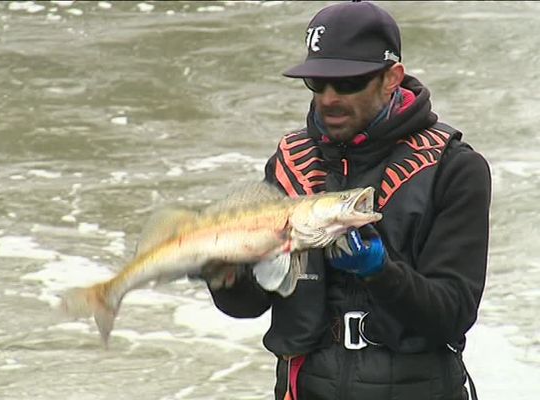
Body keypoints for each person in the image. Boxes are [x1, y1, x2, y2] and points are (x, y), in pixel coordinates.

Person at [207, 1, 491, 400]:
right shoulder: (290, 164)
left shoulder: (455, 168)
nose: (329, 98)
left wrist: (380, 272)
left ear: (392, 78)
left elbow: (453, 315)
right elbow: (250, 304)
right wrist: (226, 278)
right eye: (317, 83)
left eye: (348, 82)